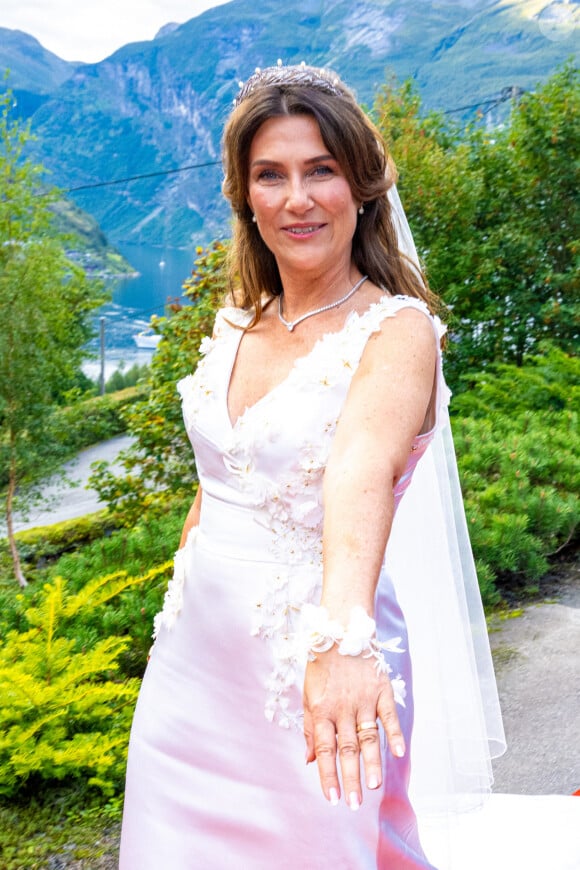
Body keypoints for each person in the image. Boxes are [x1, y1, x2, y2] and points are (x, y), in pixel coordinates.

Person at [119, 63, 505, 869]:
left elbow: (358, 475)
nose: (297, 198)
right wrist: (178, 594)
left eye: (320, 170)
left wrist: (344, 646)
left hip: (313, 663)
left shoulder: (394, 332)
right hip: (192, 668)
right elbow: (216, 477)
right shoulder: (237, 322)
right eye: (272, 175)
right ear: (245, 195)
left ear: (360, 187)